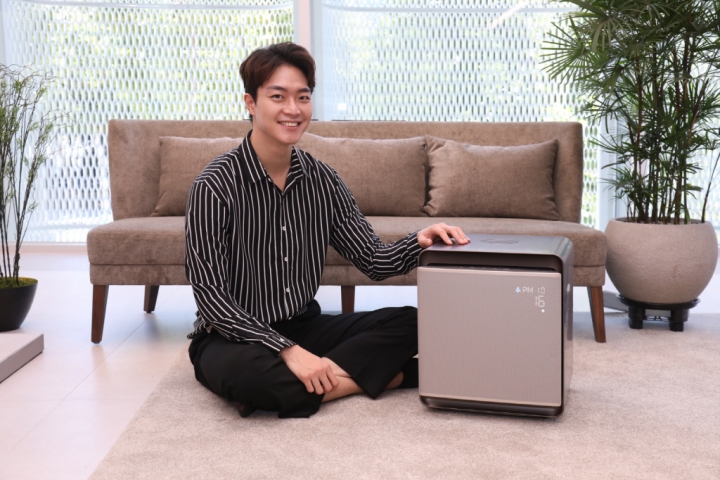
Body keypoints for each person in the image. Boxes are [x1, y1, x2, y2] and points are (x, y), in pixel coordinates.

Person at [185, 42, 470, 418]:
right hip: (233, 335)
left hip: (304, 325)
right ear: (251, 103)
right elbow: (211, 298)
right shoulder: (214, 185)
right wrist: (288, 351)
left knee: (415, 321)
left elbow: (373, 260)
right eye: (278, 96)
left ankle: (296, 388)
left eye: (303, 97)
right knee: (250, 376)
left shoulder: (323, 180)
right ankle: (396, 376)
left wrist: (420, 241)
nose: (293, 109)